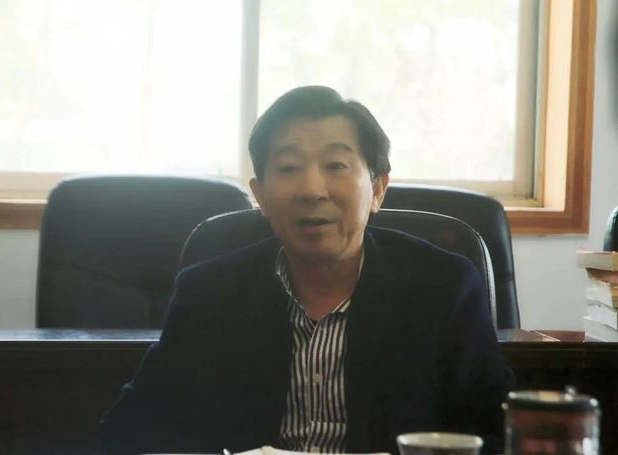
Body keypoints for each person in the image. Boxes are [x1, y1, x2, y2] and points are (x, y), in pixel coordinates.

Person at [100, 86, 514, 455]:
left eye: (336, 165)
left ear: (378, 189)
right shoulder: (209, 292)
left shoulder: (442, 287)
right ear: (260, 195)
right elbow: (130, 429)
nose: (312, 190)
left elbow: (497, 433)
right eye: (288, 168)